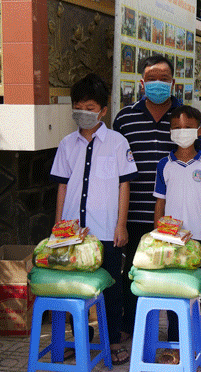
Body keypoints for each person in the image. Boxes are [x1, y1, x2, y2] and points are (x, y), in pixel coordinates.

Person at [50, 73, 138, 366]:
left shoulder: (117, 142)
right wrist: (58, 227)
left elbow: (124, 184)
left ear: (103, 110)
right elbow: (62, 185)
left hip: (106, 231)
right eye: (78, 106)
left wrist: (121, 225)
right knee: (73, 287)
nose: (83, 112)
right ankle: (79, 340)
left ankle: (112, 342)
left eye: (90, 107)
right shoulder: (66, 144)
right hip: (73, 234)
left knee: (111, 288)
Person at [113, 54, 181, 338]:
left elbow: (197, 160)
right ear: (141, 83)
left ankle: (178, 331)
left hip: (175, 214)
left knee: (175, 272)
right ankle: (133, 327)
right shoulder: (125, 118)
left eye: (163, 79)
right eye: (151, 79)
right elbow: (115, 166)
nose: (157, 83)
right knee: (134, 272)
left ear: (173, 82)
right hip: (135, 212)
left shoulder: (184, 117)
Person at [153, 105, 201, 364]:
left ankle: (194, 345)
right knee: (173, 292)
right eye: (177, 128)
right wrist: (157, 236)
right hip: (170, 239)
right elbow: (159, 203)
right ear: (170, 131)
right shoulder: (164, 165)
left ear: (199, 131)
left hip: (198, 238)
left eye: (188, 128)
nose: (182, 132)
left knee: (195, 295)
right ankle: (175, 345)